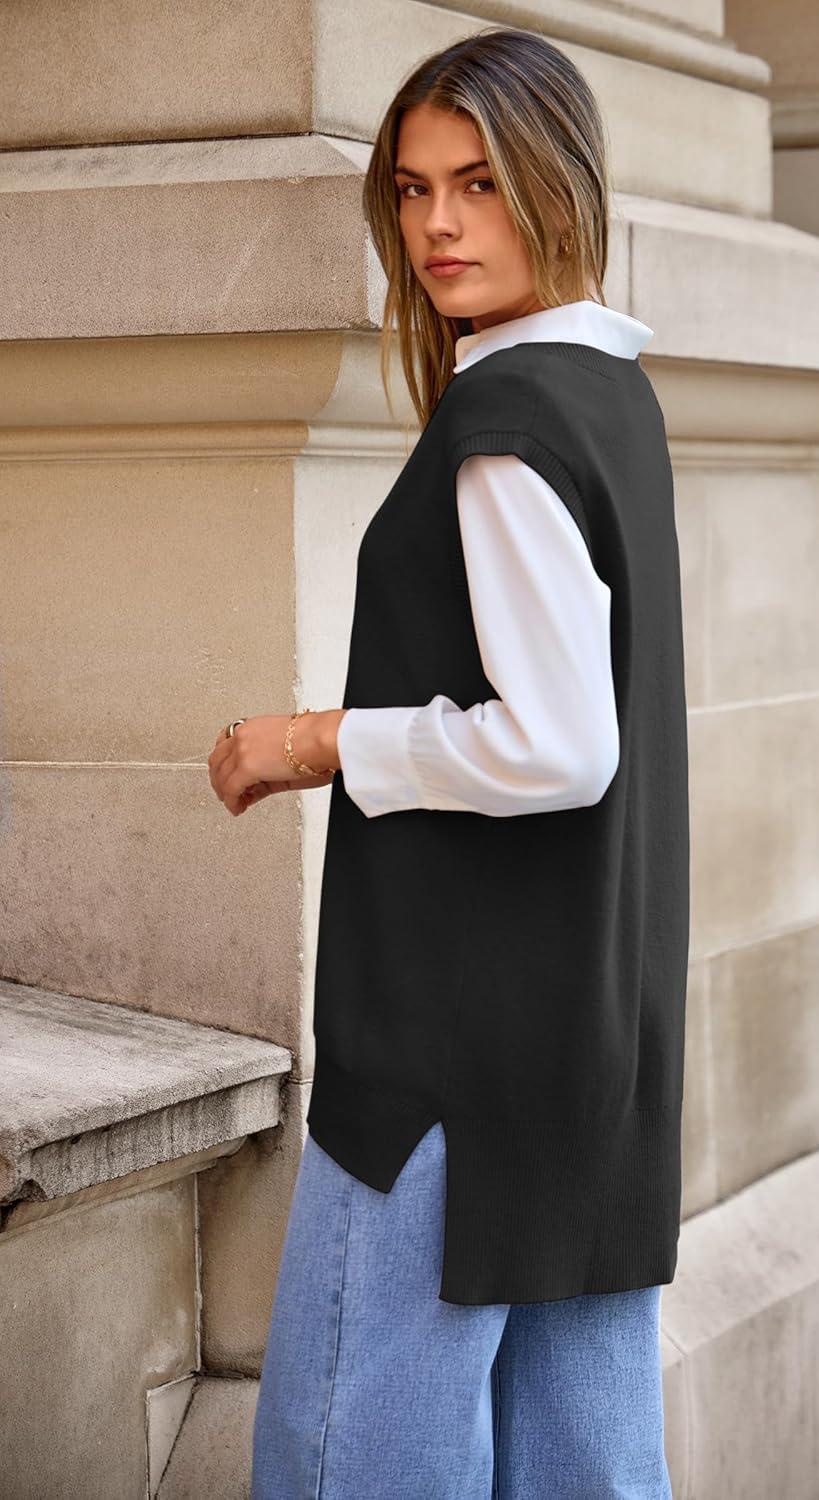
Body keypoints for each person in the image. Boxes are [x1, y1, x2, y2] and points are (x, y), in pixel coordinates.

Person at [208, 26, 688, 1500]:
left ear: (558, 183)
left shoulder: (508, 420)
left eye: (478, 182)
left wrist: (314, 740)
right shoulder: (610, 399)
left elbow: (560, 746)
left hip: (448, 1057)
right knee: (583, 1462)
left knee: (357, 1450)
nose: (439, 226)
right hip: (584, 1044)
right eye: (413, 190)